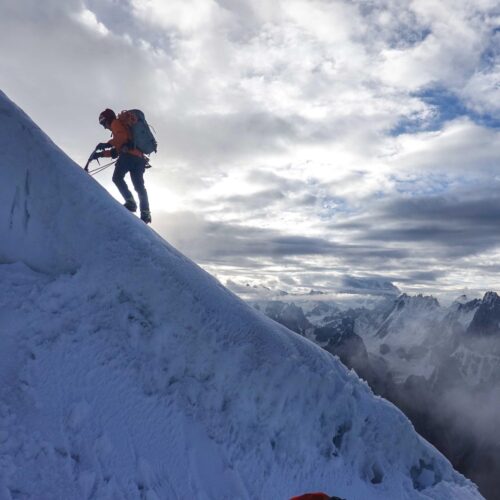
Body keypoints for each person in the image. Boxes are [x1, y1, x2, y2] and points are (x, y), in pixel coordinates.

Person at [91, 108, 152, 224]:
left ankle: (131, 202)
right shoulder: (125, 129)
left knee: (117, 178)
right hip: (139, 159)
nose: (104, 126)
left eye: (103, 123)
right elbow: (117, 151)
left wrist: (106, 144)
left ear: (107, 120)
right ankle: (145, 213)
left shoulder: (115, 123)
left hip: (128, 157)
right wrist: (101, 154)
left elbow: (121, 138)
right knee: (139, 187)